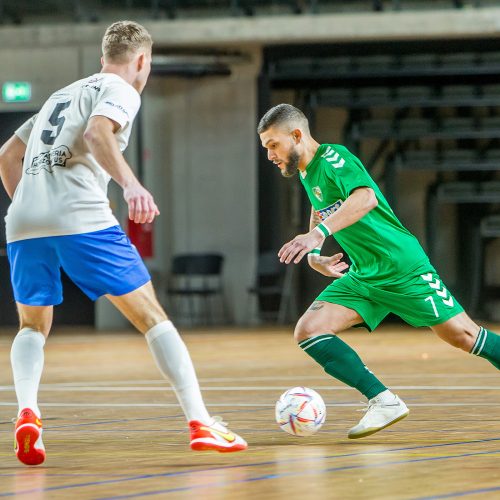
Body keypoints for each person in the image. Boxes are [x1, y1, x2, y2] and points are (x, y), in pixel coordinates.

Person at [0, 20, 246, 466]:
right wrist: (131, 185)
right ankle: (200, 422)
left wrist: (33, 204)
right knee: (153, 318)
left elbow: (7, 156)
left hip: (22, 221)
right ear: (141, 61)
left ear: (101, 59)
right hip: (80, 215)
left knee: (32, 326)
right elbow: (98, 133)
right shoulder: (122, 89)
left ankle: (27, 413)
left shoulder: (60, 95)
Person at [258, 103, 500, 439]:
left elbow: (366, 198)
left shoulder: (332, 158)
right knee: (309, 330)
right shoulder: (305, 170)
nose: (270, 155)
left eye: (273, 145)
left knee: (465, 336)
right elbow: (320, 205)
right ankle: (383, 401)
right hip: (364, 273)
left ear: (297, 135)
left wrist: (318, 235)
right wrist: (315, 254)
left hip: (400, 266)